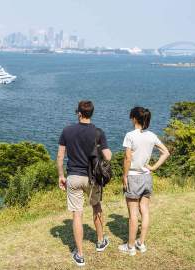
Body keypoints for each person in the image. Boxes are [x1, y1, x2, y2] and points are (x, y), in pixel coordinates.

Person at [56, 100, 112, 266]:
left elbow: (60, 157)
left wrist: (61, 176)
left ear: (79, 113)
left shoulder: (67, 131)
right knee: (96, 207)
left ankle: (80, 255)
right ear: (91, 113)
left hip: (73, 177)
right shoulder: (98, 132)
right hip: (92, 178)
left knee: (77, 215)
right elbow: (108, 156)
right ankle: (101, 241)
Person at [118, 106, 170, 256]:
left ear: (134, 118)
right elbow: (166, 152)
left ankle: (130, 246)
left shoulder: (130, 135)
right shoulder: (152, 135)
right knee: (145, 211)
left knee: (133, 214)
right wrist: (153, 167)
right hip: (147, 176)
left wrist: (124, 176)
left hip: (133, 176)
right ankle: (141, 243)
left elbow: (128, 158)